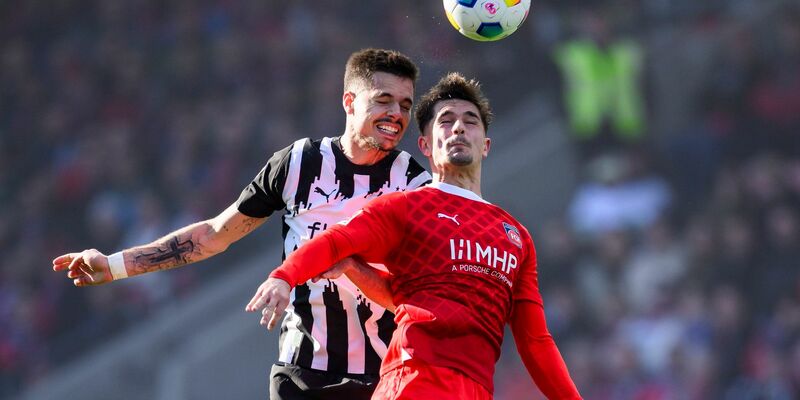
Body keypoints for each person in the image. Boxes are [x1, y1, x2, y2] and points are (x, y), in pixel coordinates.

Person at [52, 48, 432, 400]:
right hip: (303, 373)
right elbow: (214, 235)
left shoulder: (415, 184)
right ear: (349, 102)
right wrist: (115, 265)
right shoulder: (299, 162)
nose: (397, 114)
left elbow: (426, 289)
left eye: (404, 104)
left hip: (386, 375)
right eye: (383, 100)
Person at [247, 73, 582, 399]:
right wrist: (283, 277)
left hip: (476, 389)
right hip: (414, 379)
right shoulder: (407, 208)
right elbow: (337, 240)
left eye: (470, 120)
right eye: (446, 121)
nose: (459, 128)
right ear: (425, 144)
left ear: (486, 145)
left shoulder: (516, 236)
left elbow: (536, 341)